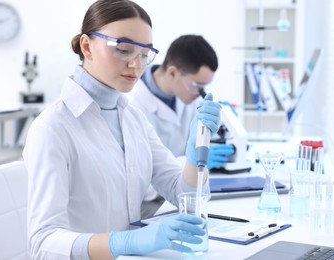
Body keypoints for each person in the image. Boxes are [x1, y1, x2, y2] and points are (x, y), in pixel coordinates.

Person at [23, 1, 221, 259]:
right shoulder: (52, 128)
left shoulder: (133, 119)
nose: (136, 65)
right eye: (124, 49)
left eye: (144, 54)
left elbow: (183, 194)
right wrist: (122, 243)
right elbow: (42, 243)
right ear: (86, 46)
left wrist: (196, 155)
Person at [128, 35, 235, 212]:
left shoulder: (187, 96)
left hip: (182, 197)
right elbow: (141, 182)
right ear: (172, 72)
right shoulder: (132, 105)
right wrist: (190, 163)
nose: (199, 93)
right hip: (149, 209)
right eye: (197, 86)